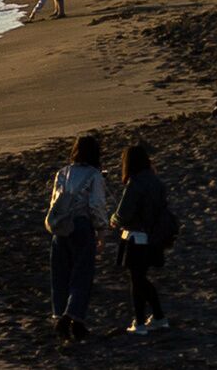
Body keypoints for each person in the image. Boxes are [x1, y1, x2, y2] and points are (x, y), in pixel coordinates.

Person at [54, 133, 116, 341]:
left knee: (61, 274)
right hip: (81, 226)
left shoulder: (62, 173)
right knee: (82, 274)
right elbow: (96, 206)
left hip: (61, 227)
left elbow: (56, 202)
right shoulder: (94, 175)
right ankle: (73, 317)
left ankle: (61, 314)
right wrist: (101, 231)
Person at [117, 141, 180, 336]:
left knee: (137, 281)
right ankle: (159, 318)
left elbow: (123, 214)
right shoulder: (156, 182)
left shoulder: (135, 184)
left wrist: (113, 219)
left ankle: (140, 323)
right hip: (153, 237)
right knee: (141, 279)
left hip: (136, 238)